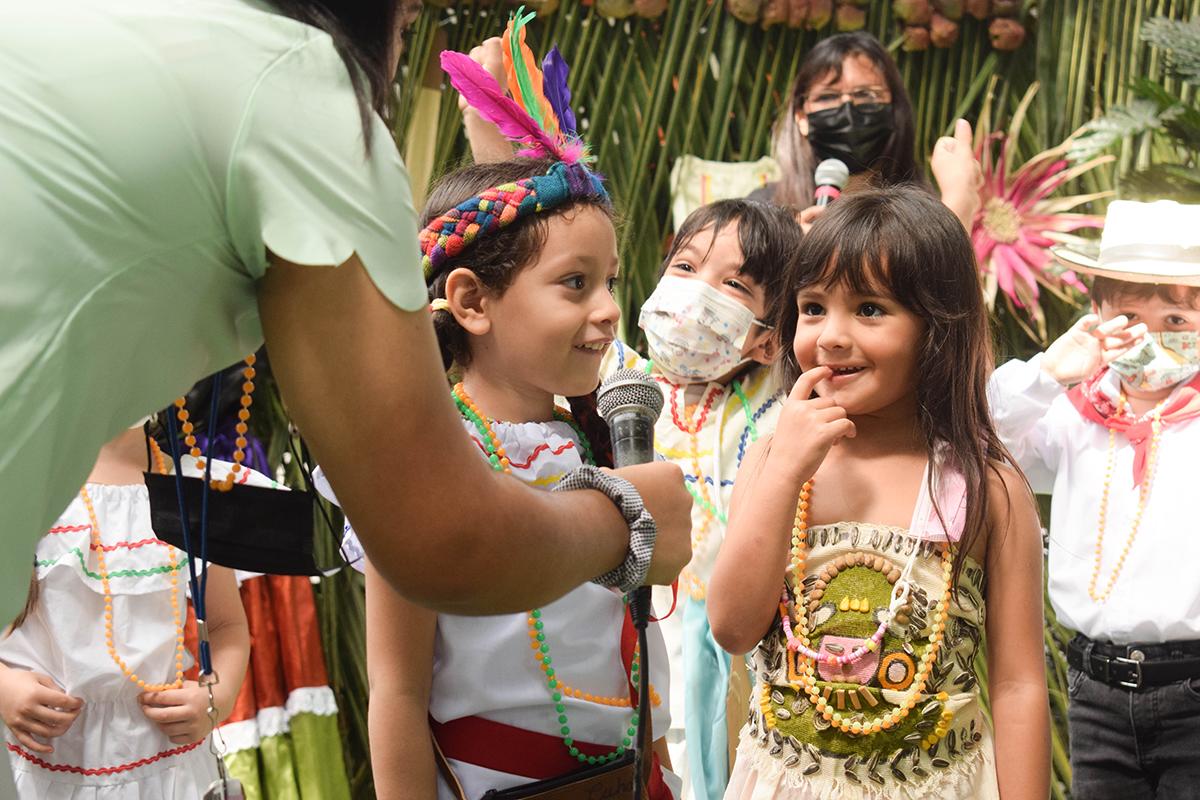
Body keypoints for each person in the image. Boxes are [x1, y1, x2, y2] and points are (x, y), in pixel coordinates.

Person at [0, 0, 690, 641]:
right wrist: (622, 517)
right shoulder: (298, 91)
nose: (608, 309)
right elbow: (442, 538)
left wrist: (514, 205)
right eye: (409, 20)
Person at [323, 151, 680, 798]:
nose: (608, 309)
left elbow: (635, 655)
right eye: (576, 282)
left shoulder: (596, 445)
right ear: (471, 301)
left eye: (610, 281)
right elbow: (398, 691)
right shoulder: (431, 467)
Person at [708, 186, 1050, 799]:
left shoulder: (988, 487)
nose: (832, 336)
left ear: (937, 329)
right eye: (813, 308)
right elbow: (733, 628)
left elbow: (1018, 685)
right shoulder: (773, 461)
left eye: (869, 309)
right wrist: (784, 474)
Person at [988, 199, 1200, 800]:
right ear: (1097, 315)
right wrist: (1049, 372)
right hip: (1096, 693)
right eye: (1129, 316)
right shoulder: (1073, 415)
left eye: (1177, 319)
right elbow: (981, 435)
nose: (1151, 337)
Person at [601, 199, 801, 799]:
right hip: (633, 646)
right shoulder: (616, 385)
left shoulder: (781, 407)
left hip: (741, 662)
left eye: (733, 284)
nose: (696, 293)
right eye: (685, 267)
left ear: (769, 342)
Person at [0, 426, 250, 798]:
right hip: (39, 764)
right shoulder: (16, 478)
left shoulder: (190, 486)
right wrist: (4, 687)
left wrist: (219, 695)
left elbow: (227, 623)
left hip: (169, 766)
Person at [748, 32, 981, 231]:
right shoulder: (764, 211)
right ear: (801, 117)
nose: (848, 110)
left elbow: (939, 270)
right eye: (827, 97)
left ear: (894, 110)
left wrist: (960, 198)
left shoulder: (926, 217)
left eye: (866, 94)